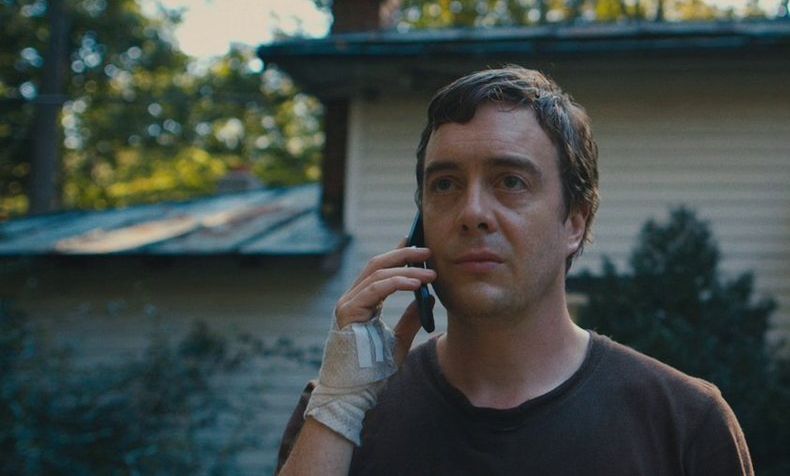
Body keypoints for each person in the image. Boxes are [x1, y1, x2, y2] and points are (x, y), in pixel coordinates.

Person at [277, 66, 753, 475]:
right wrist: (341, 409)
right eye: (445, 185)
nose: (472, 212)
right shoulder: (341, 411)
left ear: (574, 222)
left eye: (510, 181)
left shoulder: (685, 422)